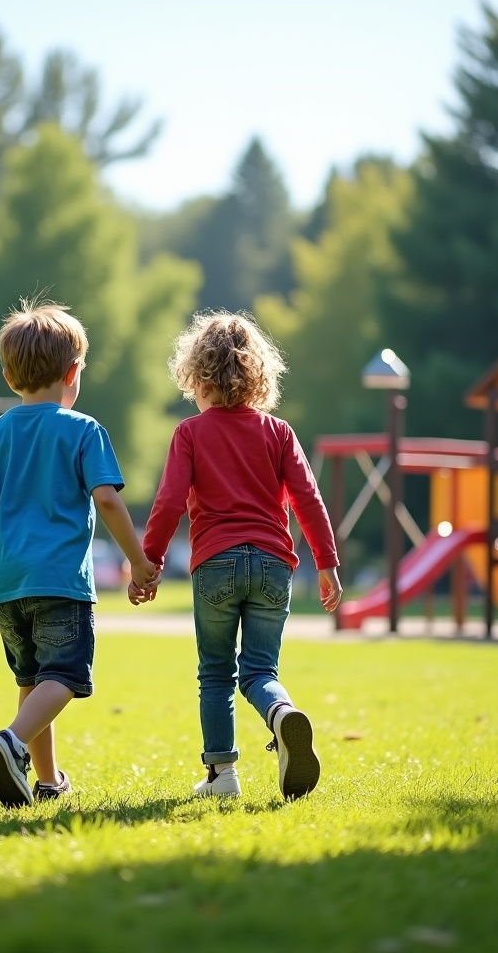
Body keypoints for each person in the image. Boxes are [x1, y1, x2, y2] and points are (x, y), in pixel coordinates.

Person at [0, 299, 158, 808]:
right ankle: (10, 742)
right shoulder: (83, 430)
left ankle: (46, 780)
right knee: (65, 676)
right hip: (59, 580)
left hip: (4, 583)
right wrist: (138, 562)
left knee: (33, 679)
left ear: (9, 378)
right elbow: (108, 499)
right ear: (74, 372)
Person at [130, 311, 342, 800]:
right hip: (273, 564)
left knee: (216, 673)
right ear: (258, 376)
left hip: (216, 564)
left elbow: (167, 502)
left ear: (197, 375)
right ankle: (282, 712)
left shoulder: (190, 434)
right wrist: (327, 564)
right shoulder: (279, 432)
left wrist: (149, 564)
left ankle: (222, 777)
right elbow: (308, 498)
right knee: (260, 672)